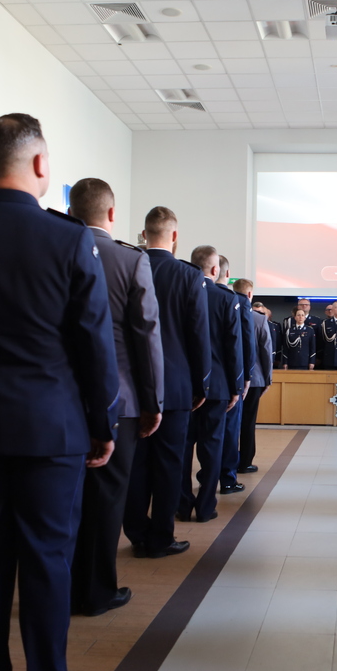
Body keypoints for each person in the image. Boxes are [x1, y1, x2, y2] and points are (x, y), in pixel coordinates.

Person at [0, 114, 119, 671]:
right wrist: (103, 424)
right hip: (52, 431)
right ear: (41, 164)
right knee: (48, 561)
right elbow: (94, 344)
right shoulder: (68, 240)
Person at [67, 178, 164, 618]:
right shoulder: (130, 259)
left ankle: (61, 587)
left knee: (62, 500)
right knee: (106, 499)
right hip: (119, 400)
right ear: (111, 213)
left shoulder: (56, 248)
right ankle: (96, 591)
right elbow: (146, 335)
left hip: (61, 398)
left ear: (72, 211)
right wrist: (153, 401)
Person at [124, 207, 210, 559]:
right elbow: (198, 334)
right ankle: (161, 537)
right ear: (174, 236)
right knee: (170, 463)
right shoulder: (188, 275)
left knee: (136, 464)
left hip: (132, 383)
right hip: (175, 386)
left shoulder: (127, 264)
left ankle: (136, 532)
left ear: (144, 234)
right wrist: (200, 385)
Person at [178, 246, 242, 523]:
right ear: (216, 270)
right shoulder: (226, 298)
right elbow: (233, 347)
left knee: (183, 447)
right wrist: (236, 388)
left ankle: (182, 505)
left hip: (184, 385)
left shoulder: (180, 293)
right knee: (212, 446)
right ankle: (205, 507)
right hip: (217, 387)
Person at [218, 258, 254, 495]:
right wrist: (246, 377)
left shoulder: (196, 293)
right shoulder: (238, 301)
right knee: (230, 432)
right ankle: (228, 480)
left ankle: (205, 479)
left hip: (198, 380)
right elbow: (245, 342)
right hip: (230, 379)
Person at [235, 279, 274, 474]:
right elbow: (266, 351)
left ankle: (227, 461)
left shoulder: (227, 313)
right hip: (255, 378)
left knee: (229, 424)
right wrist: (268, 379)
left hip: (229, 378)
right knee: (248, 422)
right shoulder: (259, 319)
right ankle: (245, 462)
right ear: (250, 294)